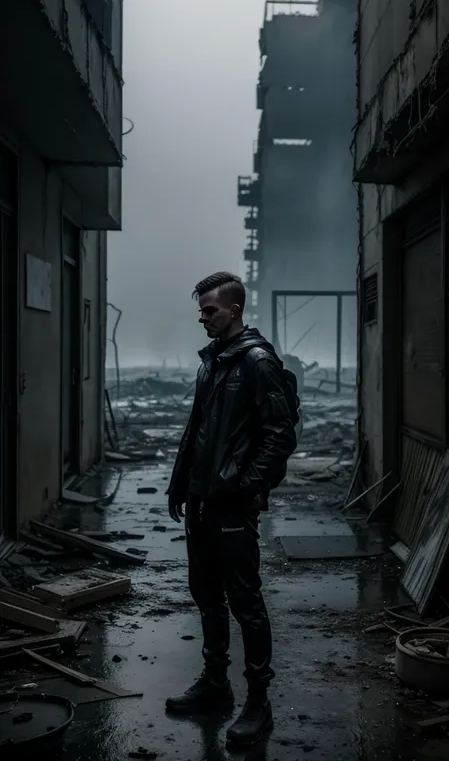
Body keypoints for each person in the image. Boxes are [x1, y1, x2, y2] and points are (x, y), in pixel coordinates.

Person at [165, 271, 297, 747]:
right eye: (201, 310)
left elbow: (281, 435)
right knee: (205, 593)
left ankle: (258, 703)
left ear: (235, 309)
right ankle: (215, 683)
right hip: (202, 501)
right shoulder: (213, 362)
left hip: (231, 507)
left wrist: (246, 488)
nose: (203, 317)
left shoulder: (257, 362)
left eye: (210, 310)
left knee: (246, 601)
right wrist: (181, 486)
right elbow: (197, 430)